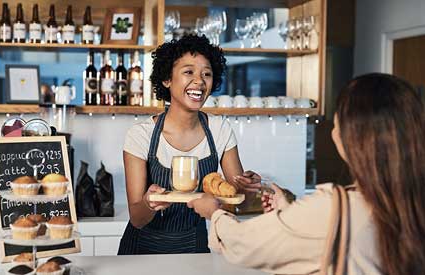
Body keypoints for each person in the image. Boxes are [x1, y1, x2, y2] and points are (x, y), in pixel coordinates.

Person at [189, 73, 425, 274]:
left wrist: (215, 214)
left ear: (351, 137)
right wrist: (289, 213)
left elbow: (243, 243)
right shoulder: (411, 204)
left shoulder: (334, 208)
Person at [118, 35, 261, 255]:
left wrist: (247, 189)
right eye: (188, 72)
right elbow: (137, 218)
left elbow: (235, 204)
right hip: (142, 252)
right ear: (167, 79)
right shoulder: (141, 135)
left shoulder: (219, 129)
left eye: (207, 74)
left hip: (194, 248)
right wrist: (149, 203)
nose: (200, 81)